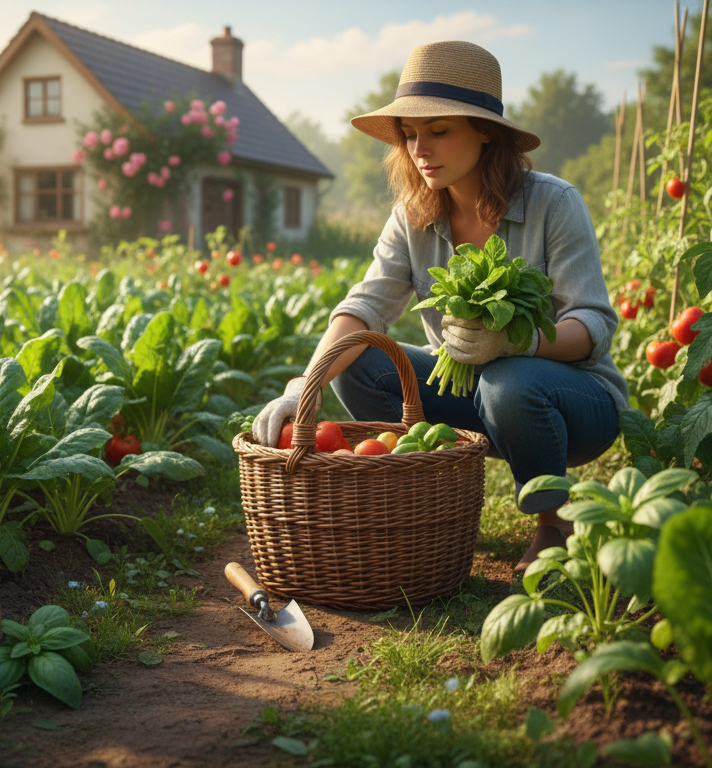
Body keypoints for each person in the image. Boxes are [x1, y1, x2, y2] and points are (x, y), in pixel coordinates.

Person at [251, 40, 628, 574]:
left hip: (573, 404)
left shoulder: (553, 203)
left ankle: (553, 521)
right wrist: (302, 386)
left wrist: (516, 340)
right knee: (358, 360)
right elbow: (364, 305)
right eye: (409, 134)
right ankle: (424, 494)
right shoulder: (413, 215)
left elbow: (592, 325)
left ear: (486, 131)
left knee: (509, 380)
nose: (419, 149)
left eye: (439, 130)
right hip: (473, 395)